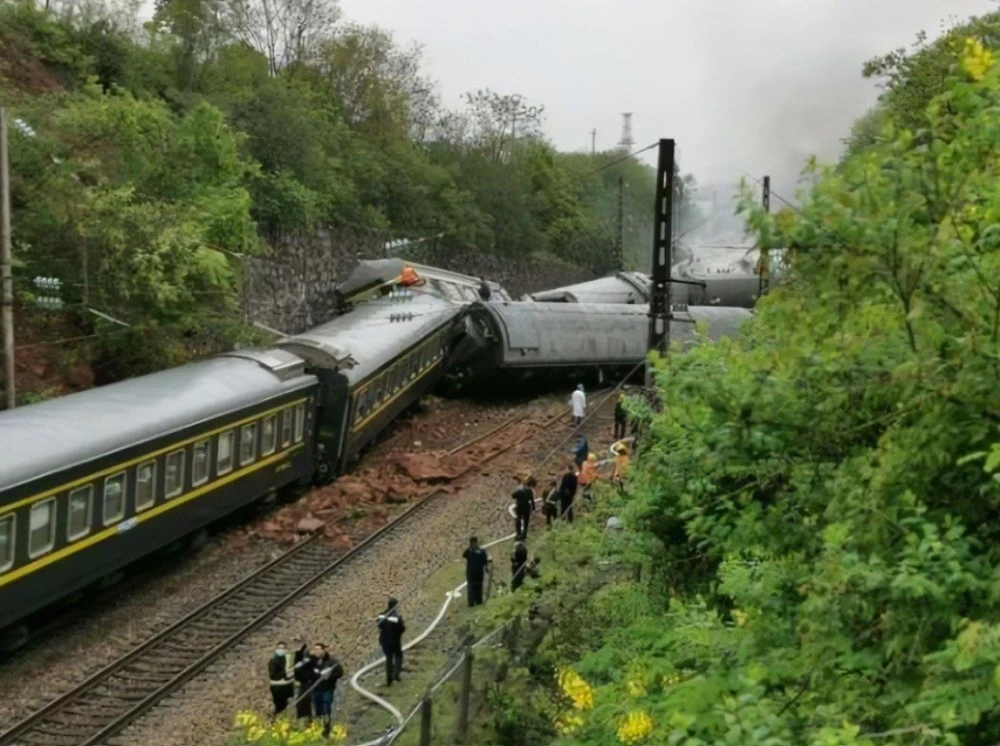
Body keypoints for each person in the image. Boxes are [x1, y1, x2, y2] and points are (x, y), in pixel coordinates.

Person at [310, 643, 344, 738]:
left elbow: (340, 672)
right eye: (315, 649)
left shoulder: (332, 662)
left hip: (327, 689)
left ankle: (326, 730)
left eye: (319, 649)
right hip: (315, 690)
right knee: (318, 710)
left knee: (326, 708)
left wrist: (330, 677)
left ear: (324, 650)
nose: (317, 652)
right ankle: (318, 728)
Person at [377, 597, 406, 687]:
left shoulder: (381, 615)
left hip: (384, 641)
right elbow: (402, 629)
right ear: (395, 606)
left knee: (388, 658)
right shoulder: (397, 618)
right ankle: (396, 675)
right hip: (395, 641)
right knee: (398, 656)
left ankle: (389, 679)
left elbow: (379, 625)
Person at [268, 641, 295, 717]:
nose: (281, 650)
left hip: (287, 686)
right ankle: (275, 722)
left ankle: (281, 721)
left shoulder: (286, 659)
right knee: (280, 707)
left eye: (283, 648)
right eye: (279, 648)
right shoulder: (273, 660)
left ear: (286, 649)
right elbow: (272, 675)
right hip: (277, 687)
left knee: (285, 707)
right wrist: (284, 673)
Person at [463, 536, 491, 606]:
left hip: (479, 572)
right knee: (471, 588)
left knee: (478, 587)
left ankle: (478, 601)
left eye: (475, 543)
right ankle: (471, 603)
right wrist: (470, 548)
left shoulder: (481, 551)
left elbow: (485, 560)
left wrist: (487, 568)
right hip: (470, 573)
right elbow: (464, 555)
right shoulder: (469, 551)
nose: (475, 544)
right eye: (473, 543)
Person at [292, 639, 315, 721]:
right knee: (302, 704)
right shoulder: (300, 655)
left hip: (313, 684)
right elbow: (297, 675)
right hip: (305, 684)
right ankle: (306, 721)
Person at [512, 475, 537, 540]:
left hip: (520, 507)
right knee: (526, 522)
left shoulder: (520, 490)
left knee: (518, 520)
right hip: (527, 508)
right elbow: (532, 500)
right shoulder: (530, 491)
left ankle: (518, 533)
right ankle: (524, 534)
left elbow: (513, 495)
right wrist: (534, 508)